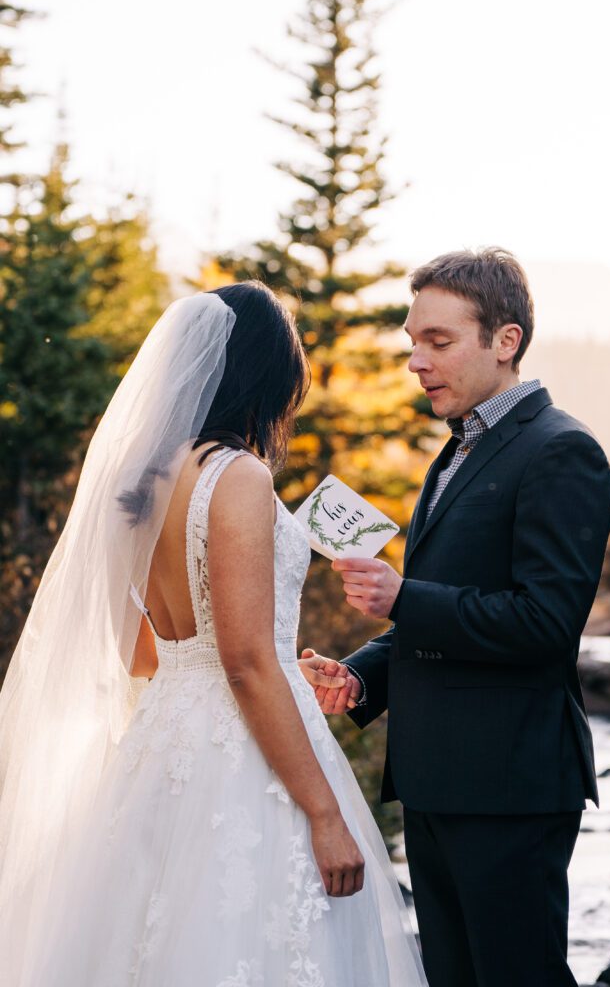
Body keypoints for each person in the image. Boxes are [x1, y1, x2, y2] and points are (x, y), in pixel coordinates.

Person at [0, 283, 426, 986]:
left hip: (164, 740)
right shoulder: (238, 477)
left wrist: (281, 665)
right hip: (243, 757)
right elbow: (243, 663)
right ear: (264, 375)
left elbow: (143, 655)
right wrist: (323, 814)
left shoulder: (142, 484)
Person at [299, 248, 610, 987]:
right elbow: (445, 611)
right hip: (435, 777)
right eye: (413, 341)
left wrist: (402, 594)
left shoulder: (560, 451)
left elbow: (544, 623)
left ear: (504, 341)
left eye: (437, 342)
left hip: (509, 784)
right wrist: (361, 671)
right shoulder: (454, 455)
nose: (416, 360)